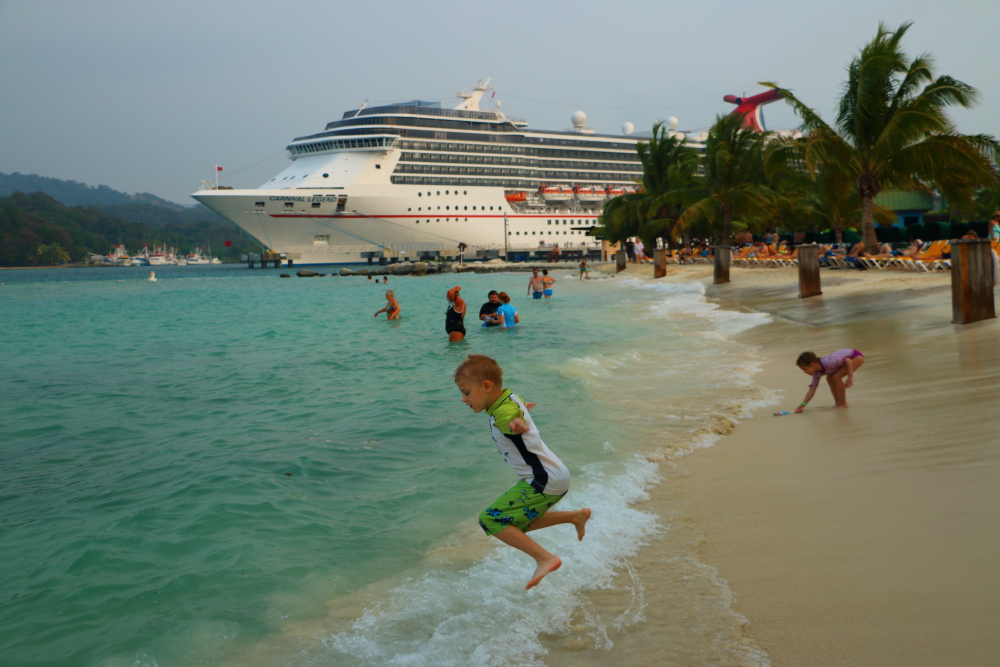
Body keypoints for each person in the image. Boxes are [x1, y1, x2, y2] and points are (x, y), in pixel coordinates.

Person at [453, 354, 591, 590]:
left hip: (542, 478)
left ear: (486, 386)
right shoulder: (510, 398)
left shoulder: (504, 414)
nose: (463, 399)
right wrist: (522, 411)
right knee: (513, 525)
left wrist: (517, 425)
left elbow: (510, 421)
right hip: (555, 475)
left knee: (491, 519)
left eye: (466, 392)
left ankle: (544, 558)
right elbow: (516, 407)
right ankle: (574, 516)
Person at [793, 349, 865, 411]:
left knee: (836, 376)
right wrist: (802, 405)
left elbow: (847, 360)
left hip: (855, 356)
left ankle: (843, 404)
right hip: (845, 362)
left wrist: (850, 376)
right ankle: (838, 404)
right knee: (829, 378)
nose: (804, 372)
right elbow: (812, 389)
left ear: (812, 364)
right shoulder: (816, 374)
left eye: (805, 369)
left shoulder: (828, 362)